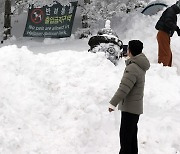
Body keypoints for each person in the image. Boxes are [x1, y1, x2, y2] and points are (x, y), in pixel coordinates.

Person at [108, 40, 150, 154]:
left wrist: (112, 103)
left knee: (126, 140)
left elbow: (123, 89)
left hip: (129, 109)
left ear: (130, 50)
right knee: (131, 139)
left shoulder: (132, 68)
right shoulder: (139, 65)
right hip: (134, 109)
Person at [155, 1, 180, 67]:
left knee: (168, 54)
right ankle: (163, 70)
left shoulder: (172, 12)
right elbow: (168, 21)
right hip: (163, 33)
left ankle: (167, 71)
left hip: (165, 34)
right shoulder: (170, 11)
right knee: (165, 54)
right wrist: (176, 28)